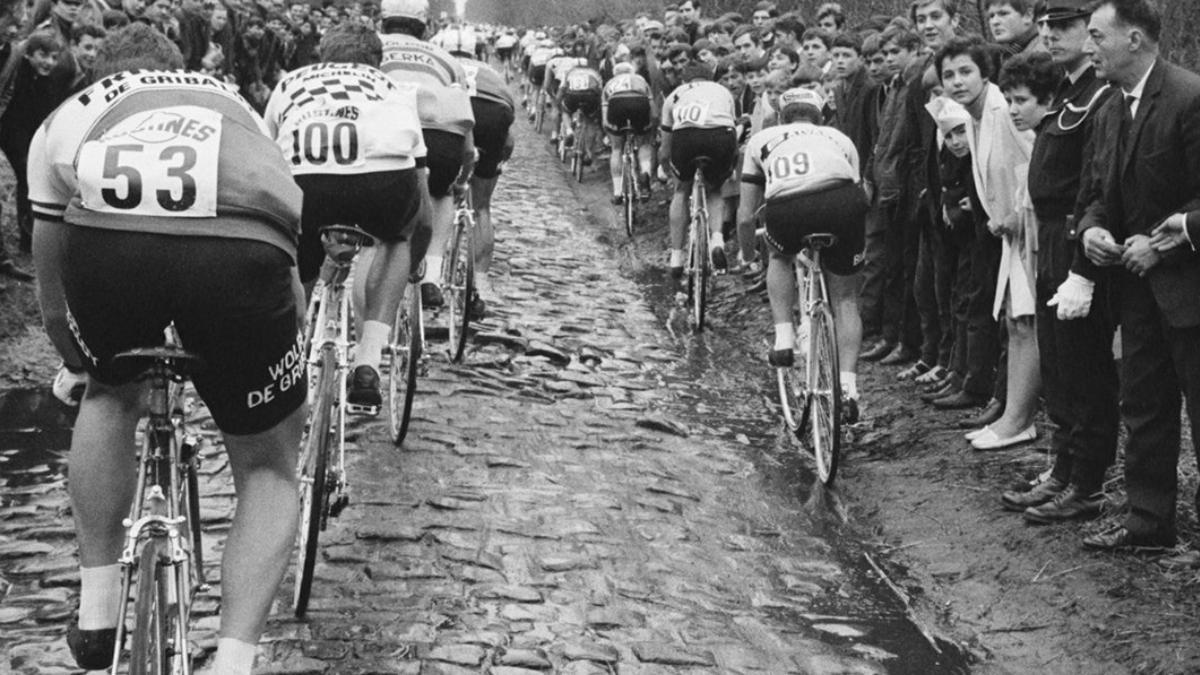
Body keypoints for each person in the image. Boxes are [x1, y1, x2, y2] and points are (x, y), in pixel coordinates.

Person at [29, 24, 305, 675]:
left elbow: (48, 296)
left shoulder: (71, 113)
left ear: (101, 73)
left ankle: (97, 612)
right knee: (268, 467)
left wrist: (83, 365)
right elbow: (289, 251)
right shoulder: (235, 98)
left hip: (111, 238)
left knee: (109, 396)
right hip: (243, 238)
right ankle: (233, 660)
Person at [1075, 0, 1200, 552]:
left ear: (1134, 39)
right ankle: (1149, 525)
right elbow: (1101, 193)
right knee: (1144, 405)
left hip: (1190, 289)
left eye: (1097, 36)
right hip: (1135, 290)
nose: (1087, 47)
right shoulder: (1108, 109)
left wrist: (1166, 246)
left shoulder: (1189, 97)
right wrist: (1092, 232)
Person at [264, 22, 431, 409]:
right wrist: (414, 255)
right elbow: (420, 180)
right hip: (382, 181)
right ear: (378, 61)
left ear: (322, 55)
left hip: (307, 180)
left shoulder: (291, 81)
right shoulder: (394, 89)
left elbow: (267, 150)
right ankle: (369, 357)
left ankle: (289, 349)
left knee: (295, 250)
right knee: (398, 237)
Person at [1001, 0, 1118, 523]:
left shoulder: (1100, 94)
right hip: (1049, 237)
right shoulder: (1069, 89)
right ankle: (1064, 468)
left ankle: (1087, 483)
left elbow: (1097, 181)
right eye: (1047, 26)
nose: (1051, 35)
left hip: (1076, 240)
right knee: (1060, 368)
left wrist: (1083, 270)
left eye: (1066, 26)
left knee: (1085, 368)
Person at [738, 87, 868, 417]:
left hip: (789, 208)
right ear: (820, 119)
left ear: (782, 118)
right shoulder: (838, 137)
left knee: (780, 257)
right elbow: (858, 186)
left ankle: (784, 338)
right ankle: (849, 388)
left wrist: (748, 257)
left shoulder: (763, 138)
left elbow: (744, 215)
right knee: (846, 300)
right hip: (842, 203)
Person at [378, 0, 475, 309]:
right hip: (443, 134)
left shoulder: (370, 47)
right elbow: (463, 112)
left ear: (383, 20)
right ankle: (431, 275)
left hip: (389, 129)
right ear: (424, 26)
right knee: (442, 193)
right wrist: (465, 163)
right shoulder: (447, 59)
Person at [441, 24, 516, 316]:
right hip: (494, 112)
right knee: (482, 206)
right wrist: (496, 164)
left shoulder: (439, 64)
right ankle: (482, 281)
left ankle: (429, 265)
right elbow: (509, 135)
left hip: (453, 108)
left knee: (436, 192)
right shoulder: (490, 70)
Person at [659, 61, 738, 275]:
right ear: (710, 78)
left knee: (681, 191)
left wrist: (664, 163)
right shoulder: (722, 91)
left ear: (685, 80)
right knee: (714, 190)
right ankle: (717, 241)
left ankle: (676, 256)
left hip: (686, 137)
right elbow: (732, 124)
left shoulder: (675, 94)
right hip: (720, 135)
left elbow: (666, 139)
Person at [602, 60, 655, 205]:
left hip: (616, 105)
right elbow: (652, 107)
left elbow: (605, 117)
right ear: (632, 72)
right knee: (644, 143)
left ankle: (617, 192)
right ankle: (645, 173)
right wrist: (650, 126)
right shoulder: (640, 80)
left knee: (617, 149)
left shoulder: (609, 83)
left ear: (615, 74)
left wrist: (609, 133)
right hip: (639, 103)